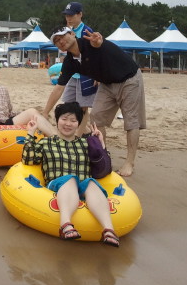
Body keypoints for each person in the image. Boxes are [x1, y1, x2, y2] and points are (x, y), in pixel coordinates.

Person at [43, 26, 146, 177]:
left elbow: (98, 43)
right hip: (106, 83)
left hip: (129, 78)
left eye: (63, 36)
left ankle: (129, 162)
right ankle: (104, 155)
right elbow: (59, 88)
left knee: (131, 121)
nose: (61, 41)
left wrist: (98, 42)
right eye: (57, 41)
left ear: (72, 34)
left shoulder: (90, 42)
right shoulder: (70, 62)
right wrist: (45, 112)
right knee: (96, 118)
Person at [22, 102, 120, 247]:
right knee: (70, 179)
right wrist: (31, 133)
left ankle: (109, 230)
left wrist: (101, 145)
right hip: (58, 185)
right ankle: (65, 225)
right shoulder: (46, 142)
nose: (68, 124)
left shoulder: (86, 144)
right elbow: (28, 160)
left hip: (82, 186)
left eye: (73, 120)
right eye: (64, 119)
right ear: (57, 121)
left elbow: (104, 169)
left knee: (91, 183)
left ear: (78, 124)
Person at [47, 2, 97, 128]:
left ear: (80, 14)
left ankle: (81, 133)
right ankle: (80, 130)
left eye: (71, 15)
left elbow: (95, 54)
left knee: (83, 108)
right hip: (73, 74)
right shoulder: (67, 31)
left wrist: (97, 75)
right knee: (68, 104)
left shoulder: (86, 31)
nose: (68, 18)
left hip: (86, 75)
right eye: (66, 16)